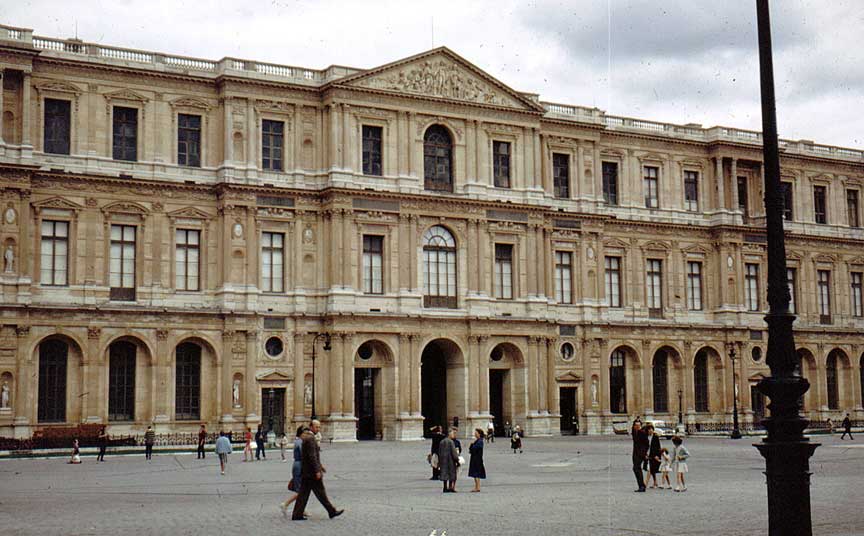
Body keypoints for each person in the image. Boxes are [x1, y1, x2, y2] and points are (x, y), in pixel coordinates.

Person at [292, 420, 344, 521]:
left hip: (307, 471)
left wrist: (320, 466)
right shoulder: (310, 438)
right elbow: (312, 456)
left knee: (303, 493)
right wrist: (317, 470)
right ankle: (331, 511)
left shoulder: (307, 438)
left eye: (319, 427)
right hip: (311, 472)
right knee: (320, 493)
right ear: (311, 427)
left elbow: (311, 456)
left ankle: (297, 514)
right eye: (316, 427)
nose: (318, 429)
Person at [280, 426, 307, 517]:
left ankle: (301, 508)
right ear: (301, 433)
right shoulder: (299, 442)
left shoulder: (298, 441)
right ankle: (285, 504)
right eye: (305, 433)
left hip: (298, 464)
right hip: (300, 465)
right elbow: (303, 453)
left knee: (302, 489)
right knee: (301, 490)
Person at [438, 427, 460, 493]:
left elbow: (439, 451)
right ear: (449, 434)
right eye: (453, 433)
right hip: (450, 461)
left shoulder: (442, 441)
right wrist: (457, 460)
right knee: (452, 474)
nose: (453, 435)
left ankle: (445, 487)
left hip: (443, 460)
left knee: (444, 473)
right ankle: (450, 487)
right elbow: (454, 452)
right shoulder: (451, 442)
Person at [631, 421, 649, 492]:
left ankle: (642, 486)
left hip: (640, 454)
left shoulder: (642, 433)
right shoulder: (634, 432)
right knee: (636, 469)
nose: (637, 426)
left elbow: (647, 444)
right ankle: (642, 485)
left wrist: (643, 453)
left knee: (636, 468)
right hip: (635, 454)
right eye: (636, 425)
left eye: (639, 425)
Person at [645, 424, 662, 489]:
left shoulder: (655, 437)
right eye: (649, 429)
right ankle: (655, 482)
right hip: (648, 454)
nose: (650, 430)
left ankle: (645, 483)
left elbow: (658, 447)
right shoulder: (646, 437)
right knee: (651, 470)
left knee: (650, 469)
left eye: (651, 429)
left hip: (654, 455)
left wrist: (657, 455)